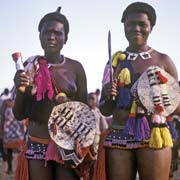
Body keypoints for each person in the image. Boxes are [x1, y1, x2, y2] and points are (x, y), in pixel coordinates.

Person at [94, 2, 180, 180]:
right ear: (124, 26)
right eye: (130, 24)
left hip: (155, 134)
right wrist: (109, 95)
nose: (136, 28)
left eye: (142, 24)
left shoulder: (163, 60)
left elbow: (177, 106)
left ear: (151, 27)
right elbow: (105, 109)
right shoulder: (115, 62)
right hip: (118, 134)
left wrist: (155, 98)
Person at [13, 7, 94, 180]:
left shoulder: (76, 68)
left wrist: (83, 145)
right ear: (40, 36)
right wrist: (20, 89)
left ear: (66, 38)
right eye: (47, 32)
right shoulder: (29, 68)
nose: (51, 37)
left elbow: (84, 112)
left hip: (67, 144)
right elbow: (19, 114)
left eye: (58, 33)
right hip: (37, 142)